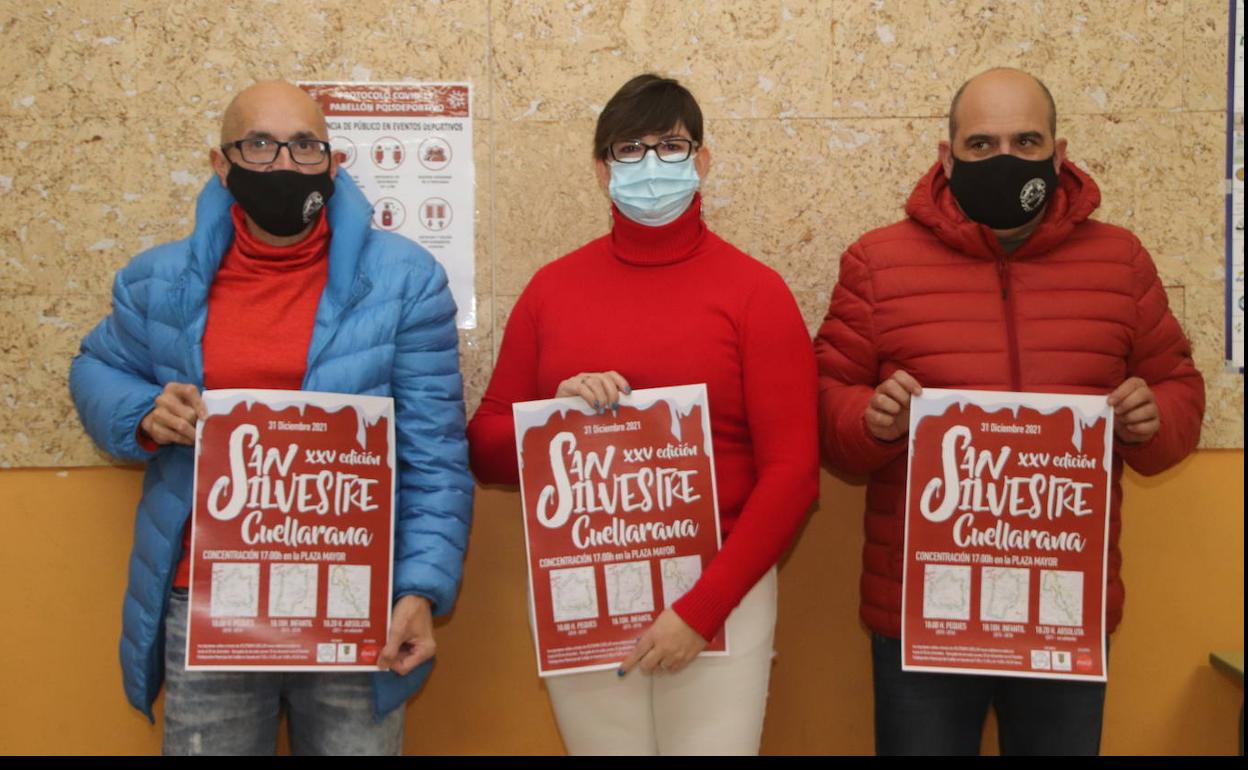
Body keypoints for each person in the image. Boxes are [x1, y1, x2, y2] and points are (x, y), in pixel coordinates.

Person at [68, 80, 473, 755]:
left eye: (305, 146)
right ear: (220, 163)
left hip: (353, 605)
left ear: (334, 162)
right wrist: (143, 411)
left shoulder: (407, 281)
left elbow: (434, 453)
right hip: (207, 605)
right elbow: (93, 366)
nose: (284, 165)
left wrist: (421, 589)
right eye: (259, 144)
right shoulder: (156, 282)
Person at [814, 67, 1206, 755]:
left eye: (1026, 141)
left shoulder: (1120, 261)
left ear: (1059, 154)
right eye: (981, 144)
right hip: (922, 617)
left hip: (1061, 609)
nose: (1005, 159)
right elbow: (825, 404)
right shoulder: (878, 263)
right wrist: (869, 421)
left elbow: (1177, 387)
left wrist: (1155, 419)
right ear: (946, 157)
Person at [466, 74, 818, 755]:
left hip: (723, 592)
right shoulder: (551, 291)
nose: (651, 164)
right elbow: (483, 445)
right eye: (629, 149)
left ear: (703, 160)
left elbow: (793, 474)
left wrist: (700, 611)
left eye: (671, 145)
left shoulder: (756, 293)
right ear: (601, 169)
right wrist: (550, 418)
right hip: (582, 589)